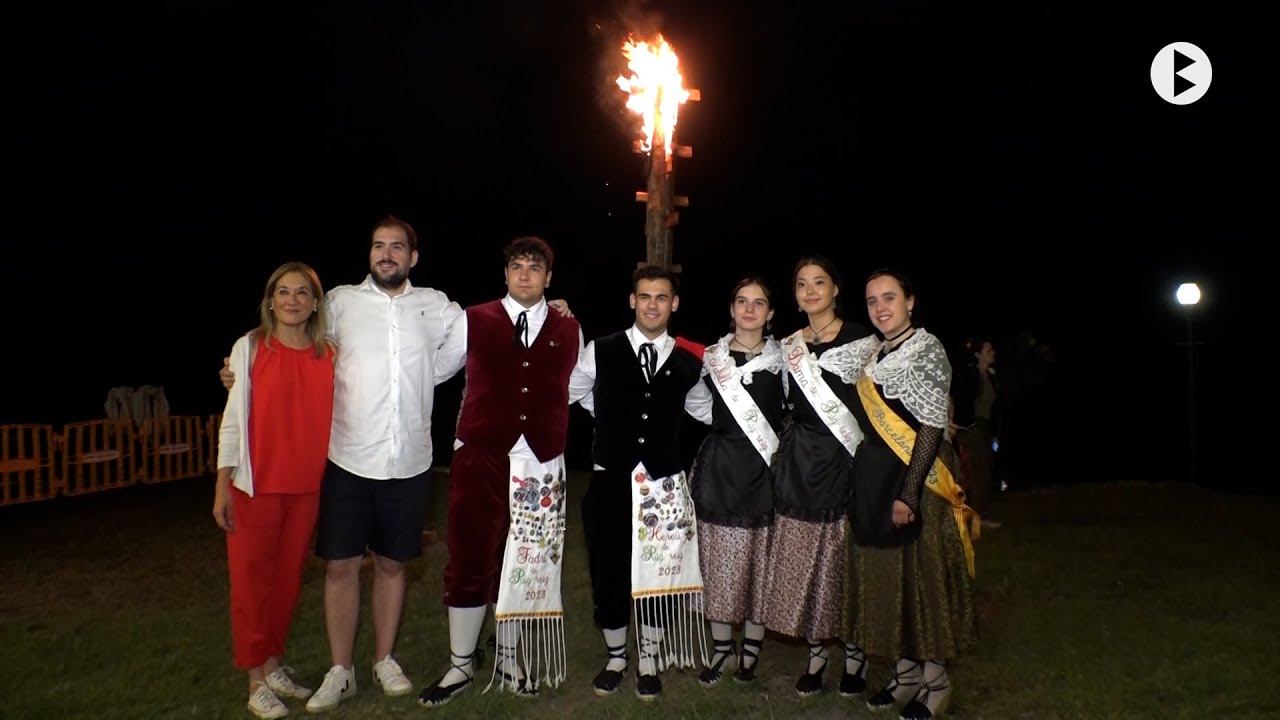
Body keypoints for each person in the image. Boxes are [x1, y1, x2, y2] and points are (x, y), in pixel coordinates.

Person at [221, 216, 467, 712]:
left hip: (410, 459)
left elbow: (468, 343)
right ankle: (341, 670)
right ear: (369, 254)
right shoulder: (338, 303)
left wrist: (420, 376)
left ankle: (383, 659)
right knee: (340, 566)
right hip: (346, 458)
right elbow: (293, 337)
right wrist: (238, 372)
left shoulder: (436, 306)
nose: (387, 254)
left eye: (397, 247)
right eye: (379, 246)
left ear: (412, 257)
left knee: (394, 564)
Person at [418, 236, 584, 707]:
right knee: (470, 553)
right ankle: (460, 665)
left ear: (549, 278)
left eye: (535, 267)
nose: (525, 274)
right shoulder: (472, 319)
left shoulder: (570, 327)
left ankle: (508, 656)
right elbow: (430, 372)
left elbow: (577, 387)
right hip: (481, 455)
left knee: (524, 558)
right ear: (506, 273)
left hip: (540, 461)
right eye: (517, 266)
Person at [566, 264, 713, 701]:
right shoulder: (601, 349)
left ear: (674, 304)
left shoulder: (690, 363)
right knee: (608, 567)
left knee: (656, 573)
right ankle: (616, 657)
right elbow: (574, 391)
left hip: (664, 486)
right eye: (645, 296)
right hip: (611, 480)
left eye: (661, 297)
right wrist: (609, 416)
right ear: (633, 300)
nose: (652, 304)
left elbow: (703, 411)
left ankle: (648, 658)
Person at [845, 269, 978, 719]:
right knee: (893, 579)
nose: (880, 308)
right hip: (877, 478)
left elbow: (930, 427)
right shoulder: (874, 352)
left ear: (911, 302)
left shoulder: (926, 349)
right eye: (871, 301)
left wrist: (910, 494)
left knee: (923, 581)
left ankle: (936, 683)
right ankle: (905, 676)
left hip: (917, 480)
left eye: (889, 298)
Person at [213, 261, 336, 719]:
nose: (291, 300)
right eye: (283, 292)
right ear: (270, 300)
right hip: (254, 488)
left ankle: (273, 665)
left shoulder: (330, 354)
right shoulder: (248, 349)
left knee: (286, 584)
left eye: (302, 293)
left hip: (306, 489)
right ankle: (254, 681)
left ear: (314, 303)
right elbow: (231, 422)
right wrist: (223, 486)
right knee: (251, 586)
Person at [762, 255, 873, 697]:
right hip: (801, 463)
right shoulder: (787, 346)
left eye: (819, 282)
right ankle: (816, 654)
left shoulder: (862, 341)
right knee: (805, 561)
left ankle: (856, 656)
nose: (811, 291)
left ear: (835, 290)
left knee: (843, 565)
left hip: (847, 462)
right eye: (802, 284)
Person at [687, 276, 786, 686]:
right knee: (719, 562)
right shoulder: (713, 357)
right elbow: (695, 400)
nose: (749, 309)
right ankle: (723, 649)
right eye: (741, 301)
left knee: (760, 562)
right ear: (731, 309)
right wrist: (725, 426)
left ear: (770, 313)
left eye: (758, 303)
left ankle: (752, 651)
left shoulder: (785, 359)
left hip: (766, 471)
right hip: (721, 468)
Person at [951, 337, 1001, 528]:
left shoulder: (991, 376)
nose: (992, 353)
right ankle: (964, 515)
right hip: (971, 428)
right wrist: (958, 424)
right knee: (973, 472)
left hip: (985, 428)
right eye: (988, 350)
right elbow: (958, 396)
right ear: (978, 354)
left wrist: (995, 432)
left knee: (984, 471)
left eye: (992, 350)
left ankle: (978, 515)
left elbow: (995, 408)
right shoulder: (971, 374)